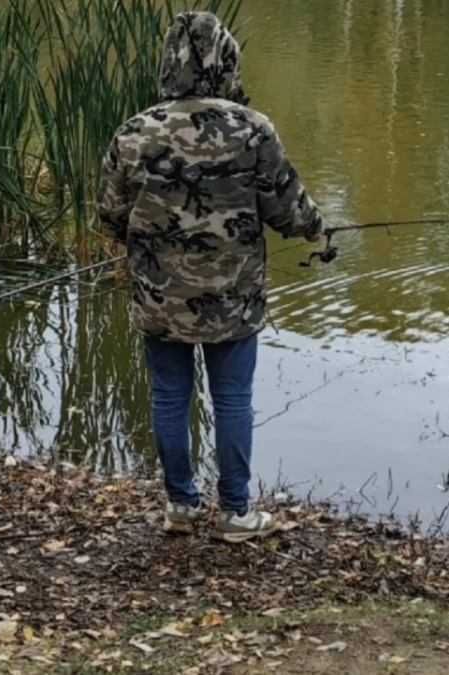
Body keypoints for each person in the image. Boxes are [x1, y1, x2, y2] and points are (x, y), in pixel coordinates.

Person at [96, 11, 324, 543]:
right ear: (226, 58)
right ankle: (236, 513)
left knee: (169, 397)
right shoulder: (252, 127)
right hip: (233, 297)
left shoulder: (135, 131)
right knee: (232, 400)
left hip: (159, 297)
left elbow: (108, 215)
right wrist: (314, 229)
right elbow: (288, 208)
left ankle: (180, 505)